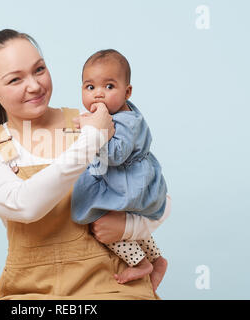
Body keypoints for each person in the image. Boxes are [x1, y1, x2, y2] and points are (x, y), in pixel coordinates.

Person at [0, 29, 170, 299]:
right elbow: (24, 205)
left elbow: (155, 193)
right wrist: (93, 138)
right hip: (30, 292)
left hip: (114, 286)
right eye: (14, 79)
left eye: (39, 69)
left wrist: (130, 228)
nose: (34, 85)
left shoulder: (92, 120)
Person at [71, 49, 171, 292]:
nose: (99, 95)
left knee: (99, 221)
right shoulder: (120, 112)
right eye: (90, 87)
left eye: (109, 86)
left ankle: (141, 262)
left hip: (127, 183)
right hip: (126, 180)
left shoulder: (126, 122)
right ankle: (157, 259)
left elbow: (115, 155)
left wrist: (91, 131)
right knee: (126, 225)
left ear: (127, 92)